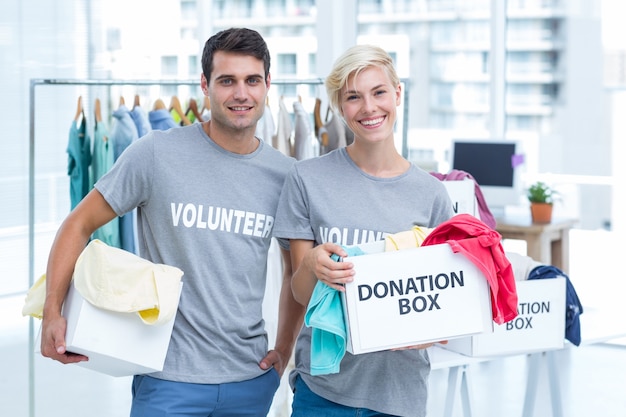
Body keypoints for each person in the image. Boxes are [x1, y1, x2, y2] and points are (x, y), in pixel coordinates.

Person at [40, 27, 304, 416]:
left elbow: (294, 272)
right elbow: (78, 224)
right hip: (167, 380)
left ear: (268, 85)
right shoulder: (156, 153)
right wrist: (52, 310)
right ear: (205, 84)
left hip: (250, 380)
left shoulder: (287, 176)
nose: (241, 94)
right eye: (226, 80)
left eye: (252, 80)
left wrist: (284, 349)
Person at [273, 45, 454, 417]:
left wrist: (432, 329)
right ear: (341, 107)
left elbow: (444, 308)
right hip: (323, 393)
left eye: (379, 92)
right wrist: (312, 268)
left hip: (399, 394)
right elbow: (300, 292)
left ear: (398, 93)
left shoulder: (432, 195)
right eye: (354, 97)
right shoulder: (307, 179)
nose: (369, 108)